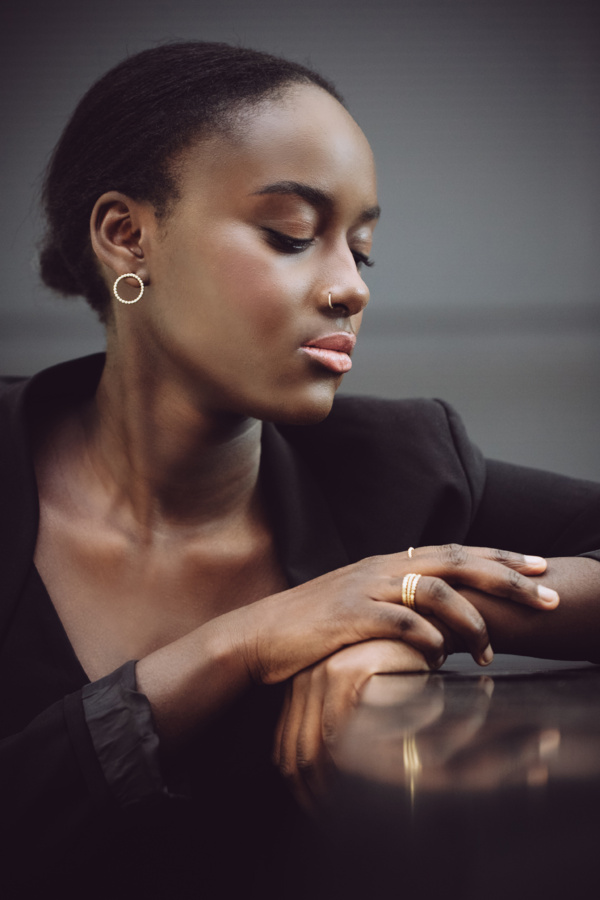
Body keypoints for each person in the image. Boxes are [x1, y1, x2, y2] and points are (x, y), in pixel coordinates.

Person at [1, 41, 599, 899]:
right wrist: (238, 645)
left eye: (362, 250)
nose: (350, 287)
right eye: (291, 235)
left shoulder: (400, 465)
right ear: (126, 237)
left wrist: (400, 608)